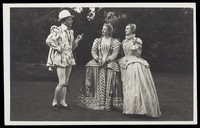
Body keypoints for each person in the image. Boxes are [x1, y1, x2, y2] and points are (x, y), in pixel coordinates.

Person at [118, 24, 162, 117]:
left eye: (127, 29)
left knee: (136, 83)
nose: (125, 30)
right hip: (125, 60)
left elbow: (138, 54)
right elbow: (123, 52)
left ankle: (140, 108)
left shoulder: (137, 40)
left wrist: (134, 46)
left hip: (134, 60)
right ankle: (130, 108)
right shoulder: (124, 41)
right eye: (125, 28)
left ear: (132, 30)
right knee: (127, 85)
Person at [77, 23, 123, 111]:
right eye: (102, 29)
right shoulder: (97, 40)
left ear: (109, 31)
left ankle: (108, 103)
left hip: (110, 61)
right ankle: (95, 100)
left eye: (105, 29)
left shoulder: (115, 42)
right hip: (99, 60)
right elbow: (93, 50)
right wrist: (97, 58)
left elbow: (115, 54)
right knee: (90, 66)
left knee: (111, 69)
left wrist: (106, 60)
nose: (103, 30)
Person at [46, 10, 83, 110]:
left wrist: (77, 41)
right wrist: (57, 48)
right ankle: (54, 101)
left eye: (71, 19)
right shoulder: (58, 30)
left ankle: (63, 102)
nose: (72, 21)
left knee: (66, 82)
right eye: (70, 19)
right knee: (62, 82)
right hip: (60, 58)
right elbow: (48, 40)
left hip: (69, 57)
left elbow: (71, 47)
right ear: (64, 21)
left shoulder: (71, 31)